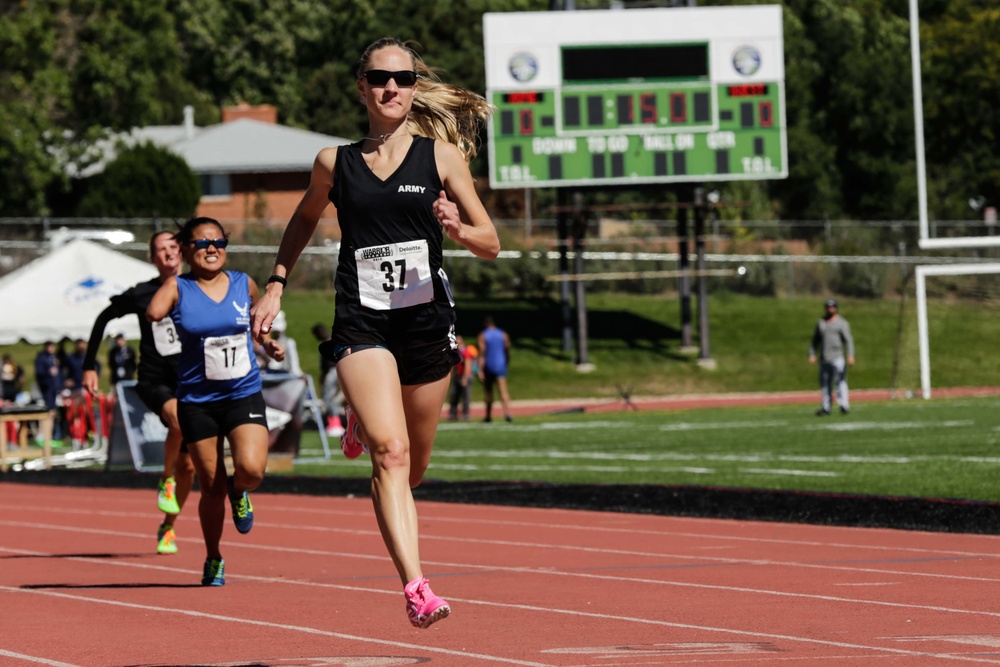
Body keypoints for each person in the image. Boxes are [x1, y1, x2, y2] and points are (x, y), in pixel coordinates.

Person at [250, 36, 500, 628]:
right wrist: (277, 283)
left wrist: (458, 230)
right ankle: (417, 588)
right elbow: (303, 219)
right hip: (362, 322)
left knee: (411, 469)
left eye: (404, 79)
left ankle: (367, 418)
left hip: (426, 323)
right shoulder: (335, 163)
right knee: (389, 454)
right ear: (361, 86)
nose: (393, 87)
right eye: (381, 78)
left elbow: (491, 241)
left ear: (415, 89)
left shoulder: (441, 157)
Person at [147, 216, 284, 587]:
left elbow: (259, 326)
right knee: (210, 487)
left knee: (252, 469)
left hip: (242, 393)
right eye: (203, 243)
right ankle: (213, 557)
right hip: (197, 401)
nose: (212, 249)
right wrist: (168, 288)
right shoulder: (179, 286)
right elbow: (153, 312)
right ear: (187, 251)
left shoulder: (244, 284)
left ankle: (240, 491)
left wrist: (267, 344)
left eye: (219, 242)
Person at [82, 230, 196, 556]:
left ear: (183, 251)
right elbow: (103, 317)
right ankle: (165, 479)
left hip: (190, 379)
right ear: (152, 258)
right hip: (153, 379)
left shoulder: (198, 288)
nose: (168, 253)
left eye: (173, 247)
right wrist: (89, 365)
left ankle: (168, 525)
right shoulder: (143, 293)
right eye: (160, 250)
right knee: (178, 419)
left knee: (189, 468)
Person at [809, 298, 855, 416]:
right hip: (824, 358)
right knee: (825, 383)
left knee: (840, 381)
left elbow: (848, 340)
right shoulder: (821, 323)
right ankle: (826, 407)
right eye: (828, 307)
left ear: (836, 308)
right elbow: (815, 340)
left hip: (837, 356)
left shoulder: (842, 323)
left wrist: (850, 355)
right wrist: (812, 353)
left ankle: (844, 405)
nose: (830, 309)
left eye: (832, 307)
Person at [311, 323, 345, 436]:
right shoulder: (331, 340)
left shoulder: (329, 342)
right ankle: (333, 423)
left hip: (332, 372)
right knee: (330, 398)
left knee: (329, 398)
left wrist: (325, 376)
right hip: (333, 372)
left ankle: (336, 424)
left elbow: (329, 363)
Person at [478, 316, 513, 423]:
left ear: (485, 324)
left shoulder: (483, 335)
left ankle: (488, 415)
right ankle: (507, 413)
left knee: (488, 392)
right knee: (503, 391)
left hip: (489, 366)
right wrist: (506, 363)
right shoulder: (503, 334)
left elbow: (482, 354)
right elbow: (507, 350)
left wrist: (479, 369)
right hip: (500, 365)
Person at [34, 341, 62, 439]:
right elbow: (39, 374)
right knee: (48, 412)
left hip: (55, 389)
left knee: (53, 413)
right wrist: (48, 372)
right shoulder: (42, 358)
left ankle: (51, 434)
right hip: (47, 389)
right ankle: (45, 435)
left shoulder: (53, 357)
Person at [447, 335, 476, 421]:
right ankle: (453, 414)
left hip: (464, 376)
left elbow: (468, 365)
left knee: (465, 396)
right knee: (453, 395)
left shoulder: (465, 351)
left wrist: (465, 378)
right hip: (457, 377)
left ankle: (465, 414)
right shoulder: (456, 351)